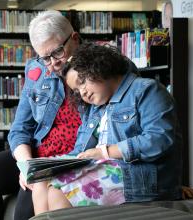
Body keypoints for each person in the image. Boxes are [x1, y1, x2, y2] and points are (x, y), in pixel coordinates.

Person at [31, 42, 184, 214]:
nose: (83, 93)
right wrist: (44, 167)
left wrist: (106, 152)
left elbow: (159, 140)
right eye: (76, 90)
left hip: (141, 178)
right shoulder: (96, 109)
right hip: (105, 170)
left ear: (99, 67)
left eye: (82, 82)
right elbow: (81, 151)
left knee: (58, 193)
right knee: (41, 182)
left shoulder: (146, 90)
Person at [0, 10, 82, 220]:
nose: (53, 64)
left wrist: (37, 170)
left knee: (25, 206)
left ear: (74, 39)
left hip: (69, 159)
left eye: (57, 52)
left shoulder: (99, 69)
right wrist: (27, 165)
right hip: (38, 154)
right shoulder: (37, 70)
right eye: (45, 57)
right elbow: (20, 128)